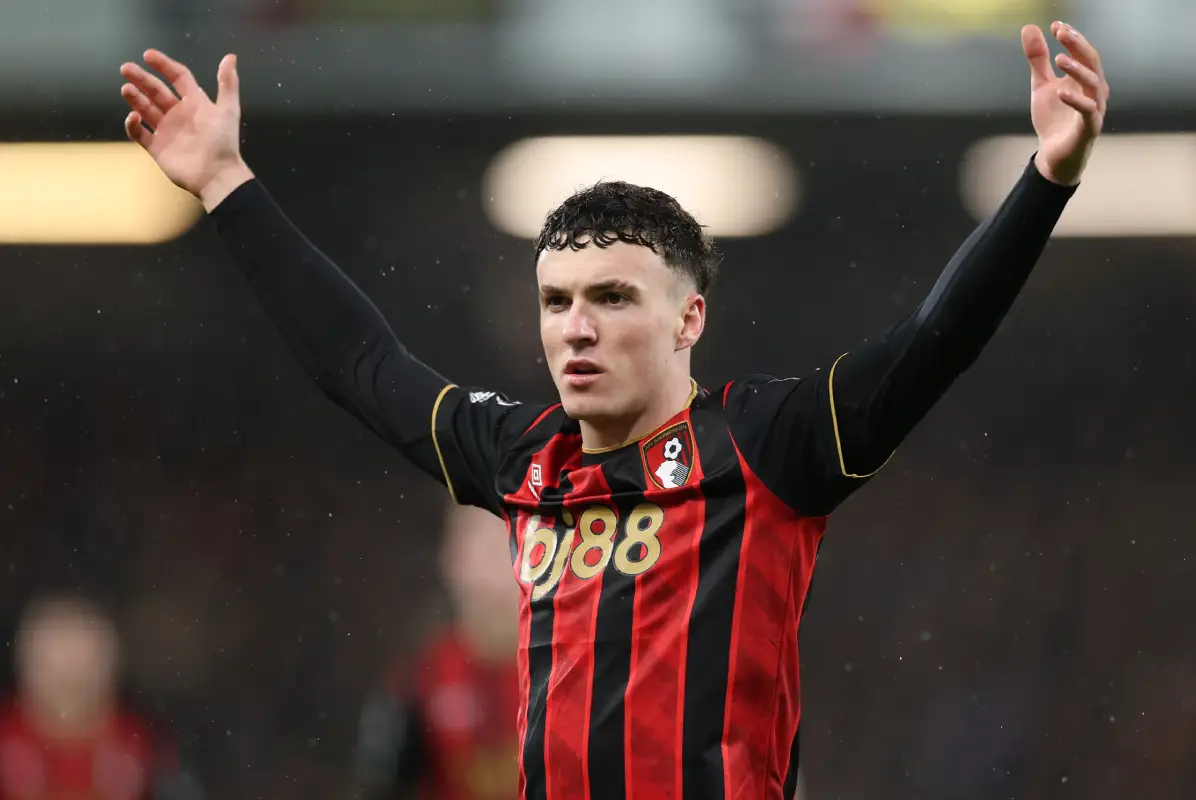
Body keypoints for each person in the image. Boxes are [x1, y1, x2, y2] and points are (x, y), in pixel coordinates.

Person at [115, 20, 1108, 800]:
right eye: (557, 301)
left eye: (613, 297)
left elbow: (936, 341)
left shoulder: (767, 446)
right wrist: (226, 183)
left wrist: (1046, 179)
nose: (576, 328)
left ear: (689, 318)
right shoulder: (519, 456)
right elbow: (360, 361)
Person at [354, 505, 519, 800]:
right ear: (451, 558)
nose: (494, 559)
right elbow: (383, 785)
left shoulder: (578, 675)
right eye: (479, 542)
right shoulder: (417, 682)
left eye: (507, 539)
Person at [0, 595, 202, 800]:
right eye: (53, 666)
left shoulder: (148, 745)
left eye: (83, 665)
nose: (68, 680)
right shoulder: (6, 740)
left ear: (112, 665)